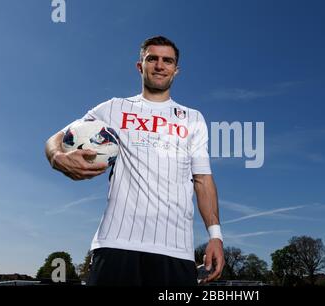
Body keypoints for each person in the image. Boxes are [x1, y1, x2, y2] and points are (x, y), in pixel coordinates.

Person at [44, 36, 224, 286]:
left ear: (176, 70)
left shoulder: (193, 119)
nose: (160, 65)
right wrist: (57, 156)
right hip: (116, 243)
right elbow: (59, 137)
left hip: (175, 249)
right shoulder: (114, 108)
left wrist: (215, 236)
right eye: (152, 59)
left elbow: (202, 179)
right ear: (140, 66)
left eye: (167, 61)